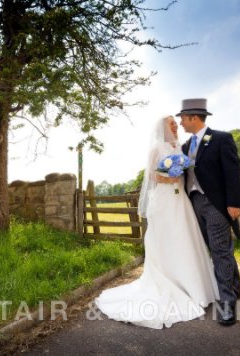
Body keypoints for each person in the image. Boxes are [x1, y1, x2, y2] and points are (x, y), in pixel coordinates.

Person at [94, 115, 219, 329]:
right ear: (162, 127)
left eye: (174, 122)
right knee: (167, 238)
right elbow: (152, 176)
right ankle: (170, 279)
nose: (174, 125)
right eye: (170, 123)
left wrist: (178, 173)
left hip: (181, 199)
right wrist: (169, 177)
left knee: (185, 236)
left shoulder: (180, 148)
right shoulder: (157, 149)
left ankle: (194, 287)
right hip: (164, 198)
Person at [177, 98, 240, 326]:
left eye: (183, 119)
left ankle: (227, 303)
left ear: (194, 117)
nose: (181, 123)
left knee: (219, 251)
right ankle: (235, 288)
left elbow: (232, 172)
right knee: (218, 248)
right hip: (194, 202)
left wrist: (235, 202)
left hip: (216, 203)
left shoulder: (220, 139)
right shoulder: (185, 147)